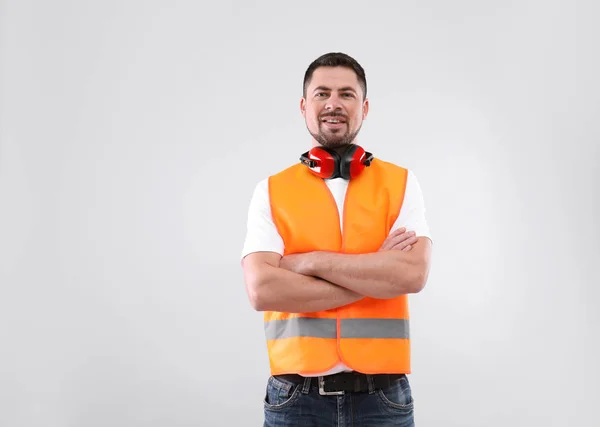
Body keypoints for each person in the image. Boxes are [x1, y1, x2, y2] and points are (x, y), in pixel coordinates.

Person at [240, 52, 433, 426]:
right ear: (304, 106)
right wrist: (376, 273)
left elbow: (411, 275)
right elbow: (262, 289)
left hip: (383, 398)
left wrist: (310, 262)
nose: (333, 103)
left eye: (346, 94)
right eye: (321, 93)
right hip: (296, 400)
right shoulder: (271, 191)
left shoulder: (401, 184)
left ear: (364, 107)